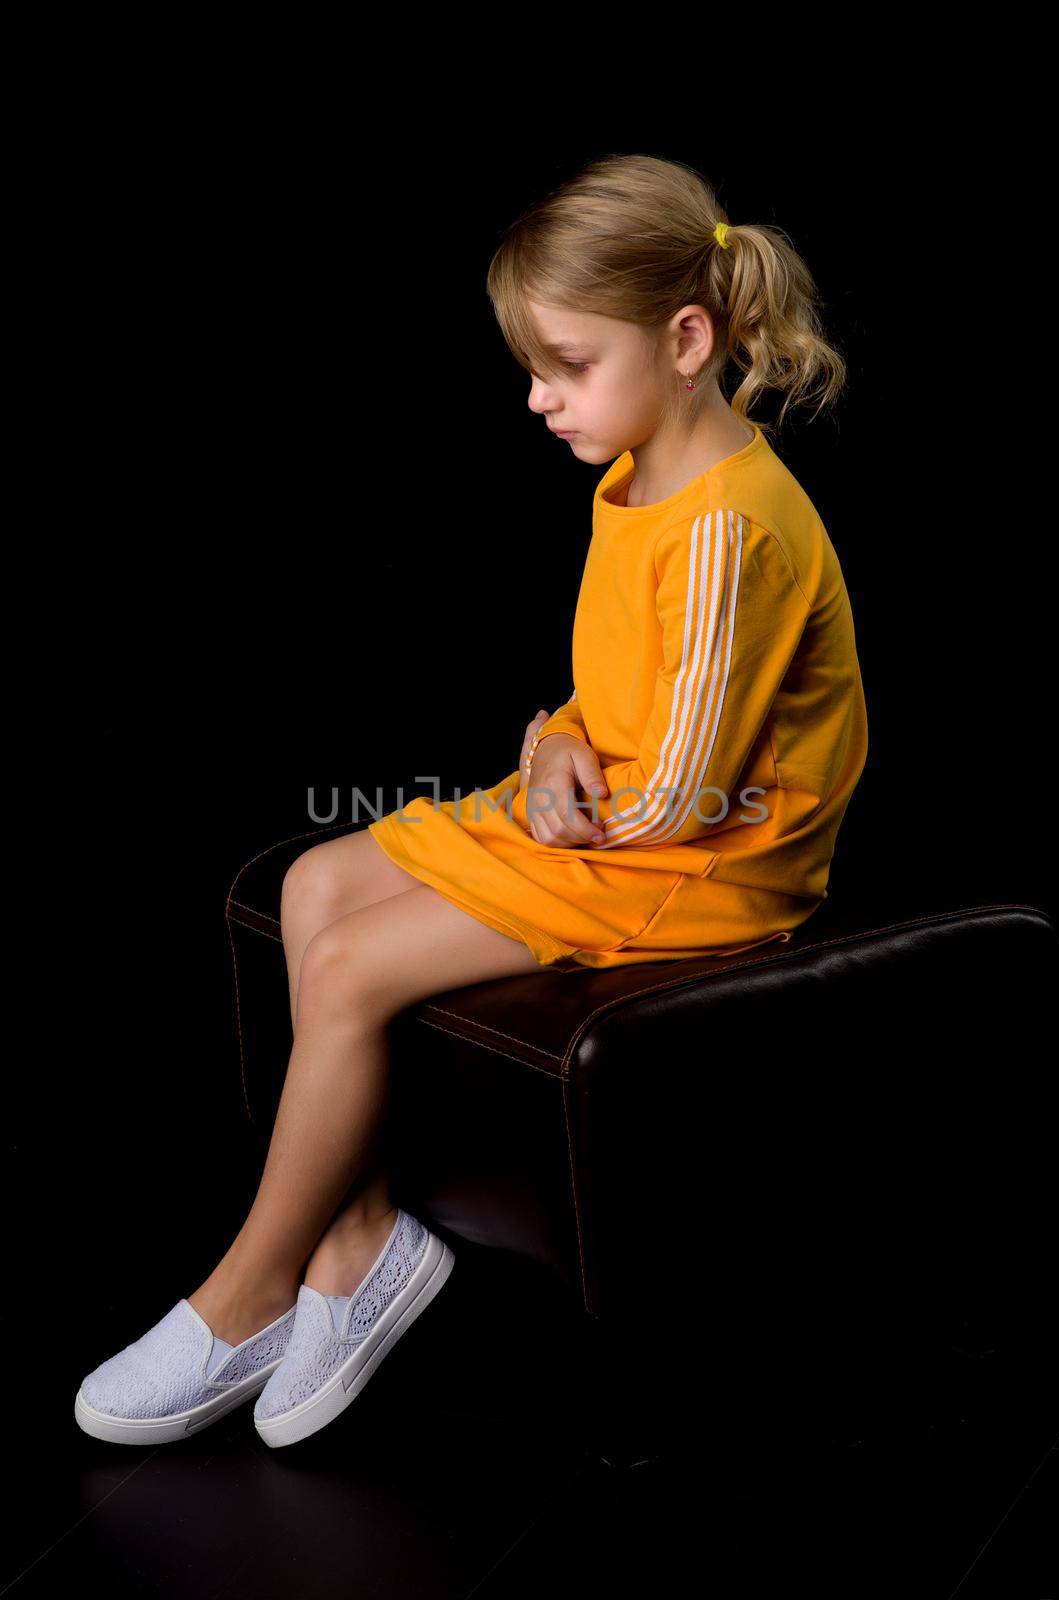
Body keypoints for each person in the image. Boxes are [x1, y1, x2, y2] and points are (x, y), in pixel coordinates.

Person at [75, 152, 868, 1450]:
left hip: (706, 861)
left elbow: (681, 792)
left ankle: (244, 1295)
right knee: (312, 887)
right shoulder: (635, 476)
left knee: (349, 965)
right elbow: (616, 709)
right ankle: (354, 1247)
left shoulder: (731, 527)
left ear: (684, 338)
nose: (540, 398)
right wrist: (550, 742)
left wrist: (559, 792)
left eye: (565, 364)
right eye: (536, 367)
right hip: (617, 817)